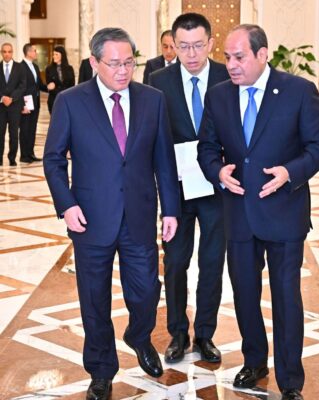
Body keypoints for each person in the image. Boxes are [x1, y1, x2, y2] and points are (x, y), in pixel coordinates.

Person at [197, 24, 319, 400]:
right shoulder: (219, 95)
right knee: (244, 293)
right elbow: (206, 147)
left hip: (285, 212)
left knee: (287, 297)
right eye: (227, 57)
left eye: (239, 57)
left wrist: (291, 172)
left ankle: (290, 381)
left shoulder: (299, 91)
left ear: (262, 54)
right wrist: (217, 171)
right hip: (239, 213)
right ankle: (255, 362)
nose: (231, 64)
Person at [43, 27, 180, 400]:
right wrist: (67, 204)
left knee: (147, 290)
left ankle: (139, 335)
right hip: (89, 218)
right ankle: (101, 370)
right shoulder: (71, 102)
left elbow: (164, 159)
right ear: (94, 62)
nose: (123, 71)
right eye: (115, 63)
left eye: (129, 62)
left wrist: (170, 209)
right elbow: (53, 159)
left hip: (139, 214)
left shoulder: (152, 100)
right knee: (94, 299)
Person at [149, 13, 229, 364]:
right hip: (177, 191)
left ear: (211, 43)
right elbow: (154, 135)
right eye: (183, 47)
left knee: (212, 262)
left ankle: (205, 334)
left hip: (217, 189)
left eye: (198, 46)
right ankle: (178, 333)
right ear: (173, 45)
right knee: (175, 262)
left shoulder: (227, 77)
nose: (191, 54)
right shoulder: (158, 80)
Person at [19, 43, 49, 163]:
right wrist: (22, 105)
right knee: (24, 129)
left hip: (35, 103)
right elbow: (19, 88)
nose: (36, 53)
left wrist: (48, 88)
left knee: (32, 129)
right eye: (34, 51)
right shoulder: (20, 67)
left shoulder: (35, 67)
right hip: (26, 103)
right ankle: (24, 155)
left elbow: (39, 84)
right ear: (28, 52)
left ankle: (30, 153)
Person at [0, 42, 26, 166]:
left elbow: (22, 85)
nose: (7, 54)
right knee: (0, 133)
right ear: (1, 53)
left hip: (15, 106)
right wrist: (2, 97)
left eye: (9, 51)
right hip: (1, 106)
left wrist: (11, 98)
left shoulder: (20, 67)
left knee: (14, 134)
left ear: (12, 53)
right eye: (4, 51)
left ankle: (12, 158)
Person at [45, 45, 75, 114]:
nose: (54, 56)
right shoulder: (49, 69)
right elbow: (50, 85)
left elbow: (72, 85)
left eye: (56, 54)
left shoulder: (69, 69)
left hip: (67, 100)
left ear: (62, 55)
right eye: (53, 54)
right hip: (54, 100)